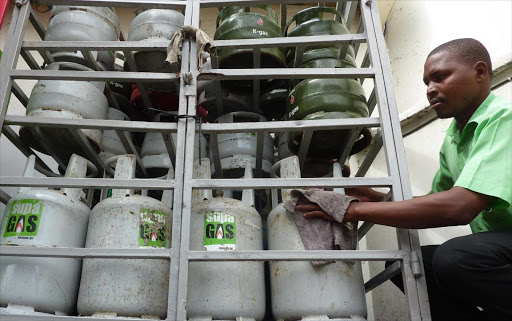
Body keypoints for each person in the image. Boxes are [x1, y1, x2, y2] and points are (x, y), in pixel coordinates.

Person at [296, 38, 512, 321]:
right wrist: (374, 197)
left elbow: (459, 207)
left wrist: (351, 210)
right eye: (426, 83)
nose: (431, 89)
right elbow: (435, 204)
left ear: (480, 72)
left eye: (440, 77)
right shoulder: (454, 139)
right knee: (409, 266)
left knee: (455, 258)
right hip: (502, 250)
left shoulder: (503, 119)